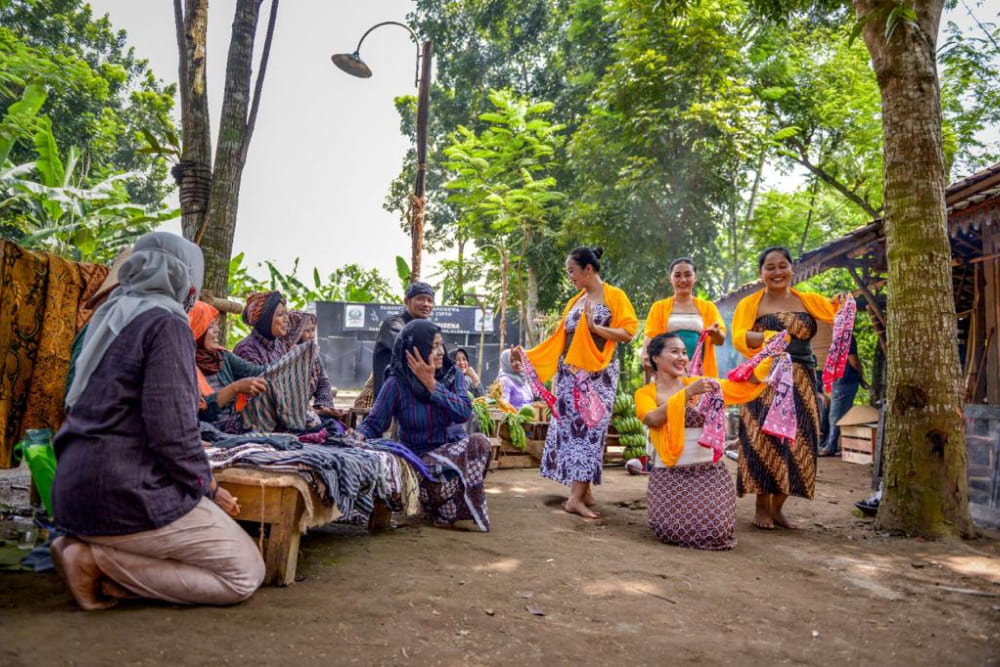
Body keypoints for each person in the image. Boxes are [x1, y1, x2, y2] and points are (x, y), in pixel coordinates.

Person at [51, 232, 265, 610]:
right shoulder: (166, 324)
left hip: (72, 490)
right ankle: (93, 561)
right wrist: (209, 489)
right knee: (244, 572)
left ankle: (87, 549)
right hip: (122, 492)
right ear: (182, 278)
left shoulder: (106, 318)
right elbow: (173, 433)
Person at [732, 246, 843, 530]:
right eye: (770, 267)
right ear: (761, 273)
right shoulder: (751, 304)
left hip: (802, 379)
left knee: (800, 441)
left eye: (782, 266)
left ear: (792, 269)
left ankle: (778, 506)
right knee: (763, 440)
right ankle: (760, 506)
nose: (777, 272)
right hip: (765, 379)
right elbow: (739, 337)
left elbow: (839, 313)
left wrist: (843, 302)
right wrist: (770, 336)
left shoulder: (809, 301)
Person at [527, 246, 637, 518]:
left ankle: (574, 499)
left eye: (572, 271)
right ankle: (583, 492)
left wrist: (596, 328)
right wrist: (531, 358)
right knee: (571, 432)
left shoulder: (615, 296)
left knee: (590, 431)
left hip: (597, 377)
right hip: (569, 377)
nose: (570, 277)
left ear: (588, 269)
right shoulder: (576, 299)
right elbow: (560, 337)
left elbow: (628, 332)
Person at [354, 319, 491, 531]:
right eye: (433, 346)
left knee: (479, 443)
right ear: (414, 351)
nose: (440, 352)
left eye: (440, 345)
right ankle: (436, 503)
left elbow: (464, 412)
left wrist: (432, 385)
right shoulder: (397, 382)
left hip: (453, 452)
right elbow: (374, 423)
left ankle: (447, 506)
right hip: (419, 461)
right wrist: (357, 436)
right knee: (437, 484)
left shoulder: (452, 374)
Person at [635, 333, 765, 550]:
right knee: (674, 530)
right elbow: (652, 418)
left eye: (684, 352)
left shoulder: (699, 384)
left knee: (717, 530)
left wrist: (767, 361)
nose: (682, 357)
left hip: (709, 473)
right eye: (674, 351)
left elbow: (738, 386)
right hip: (671, 475)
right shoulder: (646, 393)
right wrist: (686, 394)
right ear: (655, 358)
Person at [641, 258, 727, 378]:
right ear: (670, 279)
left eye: (688, 275)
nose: (683, 280)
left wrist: (715, 333)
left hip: (699, 372)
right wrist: (645, 355)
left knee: (699, 396)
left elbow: (720, 341)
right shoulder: (659, 307)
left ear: (695, 278)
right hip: (668, 372)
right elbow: (650, 337)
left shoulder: (708, 307)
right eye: (677, 275)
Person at [372, 281, 435, 396]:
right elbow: (410, 351)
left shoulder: (427, 329)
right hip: (391, 401)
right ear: (406, 301)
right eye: (420, 299)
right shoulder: (393, 324)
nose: (426, 304)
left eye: (430, 300)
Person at [281, 310, 341, 419]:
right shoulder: (283, 355)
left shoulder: (313, 355)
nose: (312, 335)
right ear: (295, 332)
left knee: (336, 427)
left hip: (310, 412)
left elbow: (323, 384)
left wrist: (323, 406)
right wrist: (315, 412)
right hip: (289, 415)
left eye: (313, 330)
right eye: (306, 331)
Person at [819, 336, 868, 456]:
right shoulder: (840, 337)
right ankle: (835, 445)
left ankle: (831, 446)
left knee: (836, 414)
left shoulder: (846, 338)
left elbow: (854, 362)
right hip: (840, 381)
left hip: (845, 381)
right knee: (839, 414)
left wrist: (860, 378)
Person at [233, 290, 291, 365]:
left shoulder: (279, 346)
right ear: (266, 321)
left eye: (286, 313)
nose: (286, 319)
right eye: (280, 314)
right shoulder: (246, 349)